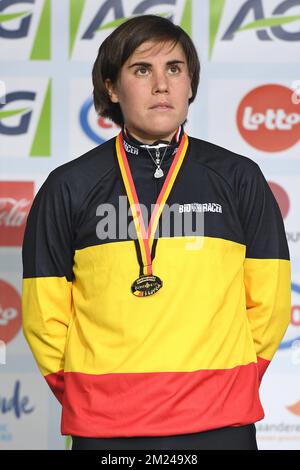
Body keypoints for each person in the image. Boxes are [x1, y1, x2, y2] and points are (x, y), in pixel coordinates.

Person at [21, 15, 291, 451]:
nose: (161, 84)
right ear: (112, 87)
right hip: (106, 428)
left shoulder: (239, 177)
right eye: (142, 69)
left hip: (220, 421)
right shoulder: (68, 185)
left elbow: (270, 303)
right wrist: (91, 396)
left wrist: (227, 384)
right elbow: (43, 315)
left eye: (175, 69)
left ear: (190, 86)